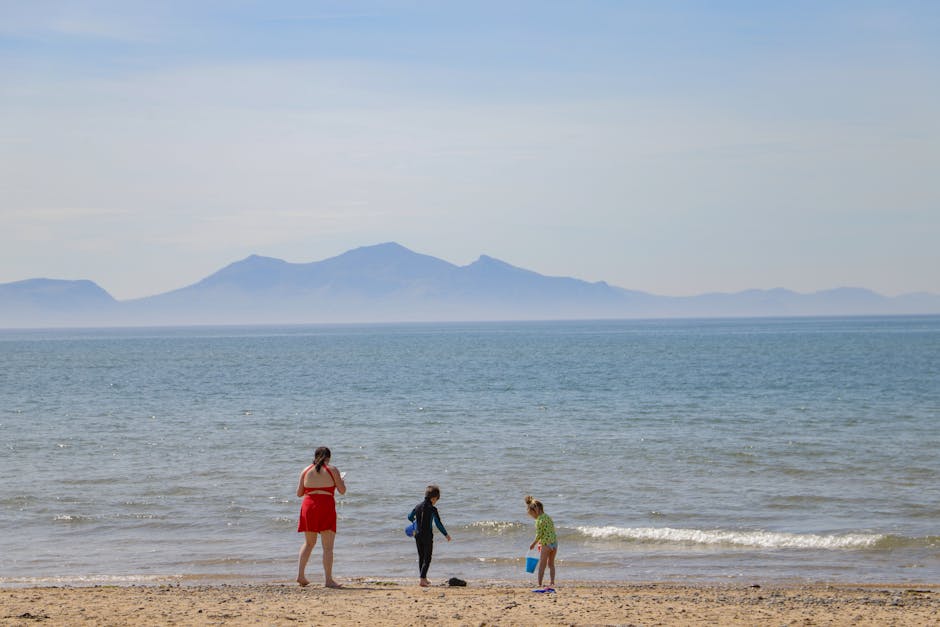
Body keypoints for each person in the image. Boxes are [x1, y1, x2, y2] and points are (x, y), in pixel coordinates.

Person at [296, 446, 346, 588]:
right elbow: (342, 491)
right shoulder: (332, 470)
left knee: (309, 543)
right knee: (328, 547)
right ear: (328, 457)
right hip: (325, 507)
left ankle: (300, 575)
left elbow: (299, 493)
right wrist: (341, 480)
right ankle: (328, 580)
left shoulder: (305, 470)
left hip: (309, 507)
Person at [407, 484, 451, 587]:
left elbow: (409, 516)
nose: (436, 502)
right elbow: (438, 523)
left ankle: (423, 578)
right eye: (436, 500)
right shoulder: (432, 509)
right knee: (427, 558)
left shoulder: (417, 506)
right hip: (427, 536)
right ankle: (422, 580)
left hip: (417, 534)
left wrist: (415, 522)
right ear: (434, 498)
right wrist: (446, 534)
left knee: (421, 557)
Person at [525, 495, 557, 592]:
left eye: (532, 515)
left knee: (542, 565)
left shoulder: (539, 520)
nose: (533, 517)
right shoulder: (548, 517)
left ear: (536, 510)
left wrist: (534, 544)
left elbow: (539, 534)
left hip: (546, 544)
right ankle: (552, 582)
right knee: (551, 564)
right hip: (554, 543)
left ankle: (539, 583)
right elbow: (549, 531)